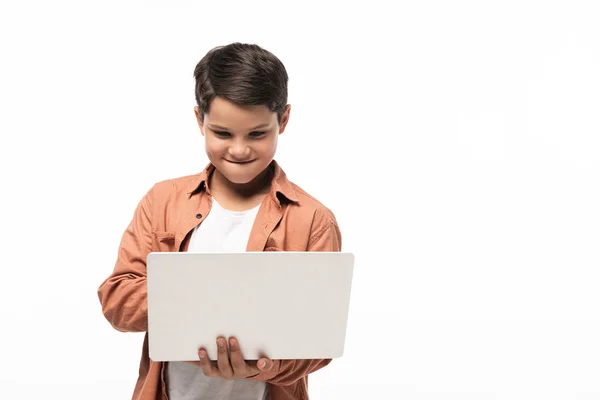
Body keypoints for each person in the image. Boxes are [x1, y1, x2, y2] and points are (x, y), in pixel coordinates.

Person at [97, 42, 342, 400]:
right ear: (200, 120)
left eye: (257, 134)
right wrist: (192, 297)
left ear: (283, 120)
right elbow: (117, 301)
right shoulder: (162, 200)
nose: (239, 150)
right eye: (222, 134)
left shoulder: (314, 220)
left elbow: (320, 343)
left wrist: (263, 367)